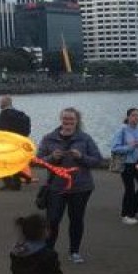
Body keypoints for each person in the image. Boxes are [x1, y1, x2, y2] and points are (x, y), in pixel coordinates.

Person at [36, 107, 104, 263]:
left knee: (76, 219)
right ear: (61, 120)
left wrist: (81, 157)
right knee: (52, 220)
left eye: (71, 119)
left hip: (81, 187)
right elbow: (39, 160)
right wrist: (52, 157)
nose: (68, 122)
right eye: (65, 119)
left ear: (76, 121)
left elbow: (97, 160)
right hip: (56, 187)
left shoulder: (85, 138)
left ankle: (74, 252)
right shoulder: (49, 138)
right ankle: (48, 251)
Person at [111, 107, 138, 224]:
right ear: (128, 117)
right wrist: (130, 147)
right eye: (134, 115)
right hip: (126, 164)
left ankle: (132, 210)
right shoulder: (122, 130)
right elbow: (114, 148)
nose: (136, 118)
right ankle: (127, 215)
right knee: (129, 189)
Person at [0, 96, 33, 191]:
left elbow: (2, 130)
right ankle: (21, 179)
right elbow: (28, 127)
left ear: (5, 103)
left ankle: (11, 183)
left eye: (0, 102)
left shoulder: (3, 114)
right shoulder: (21, 114)